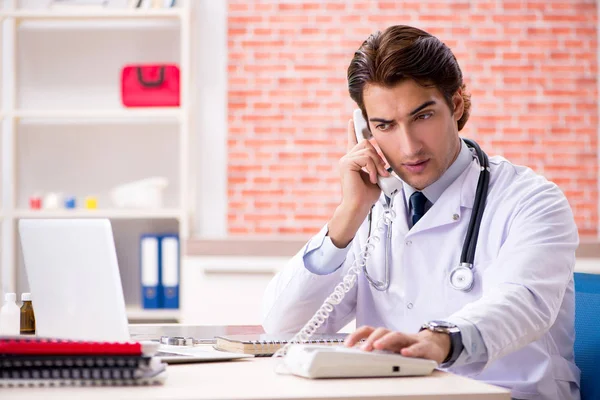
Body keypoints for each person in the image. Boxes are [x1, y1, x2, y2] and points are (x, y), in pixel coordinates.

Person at [261, 25, 580, 400]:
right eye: (385, 126)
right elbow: (283, 325)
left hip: (506, 393)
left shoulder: (531, 200)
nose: (409, 146)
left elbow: (523, 302)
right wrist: (348, 215)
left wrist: (437, 341)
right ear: (365, 129)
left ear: (456, 105)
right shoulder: (373, 210)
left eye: (423, 117)